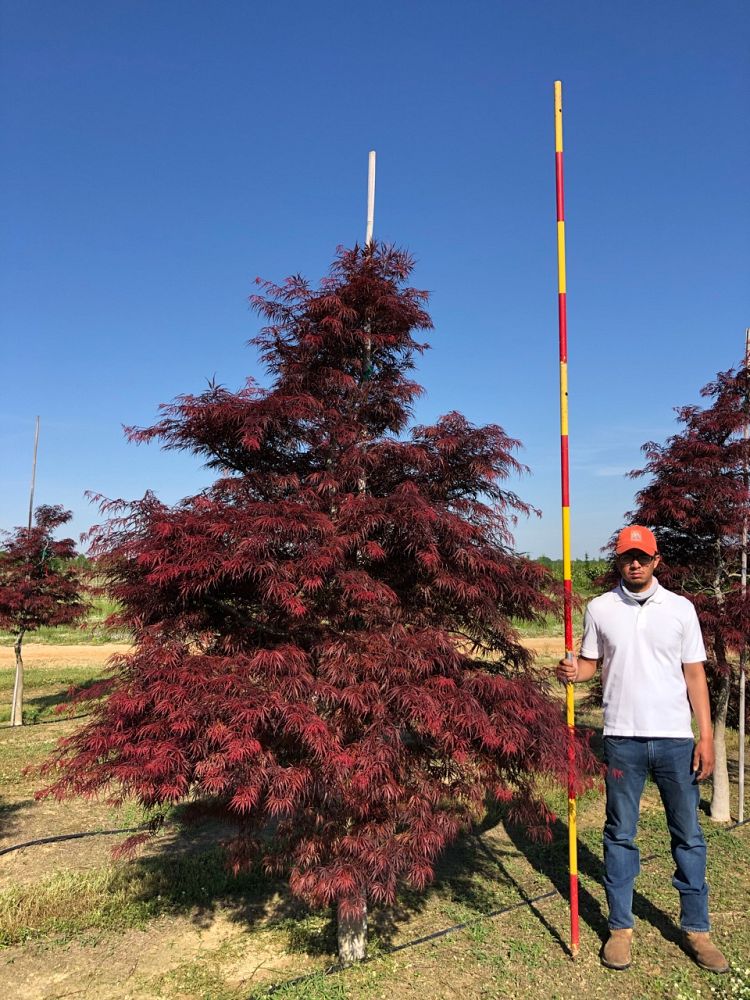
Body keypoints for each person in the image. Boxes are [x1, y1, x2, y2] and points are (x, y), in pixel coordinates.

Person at [556, 525, 729, 974]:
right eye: (627, 556)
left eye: (642, 556)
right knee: (619, 834)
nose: (634, 563)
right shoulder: (600, 608)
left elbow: (695, 676)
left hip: (674, 739)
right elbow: (593, 664)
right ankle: (620, 928)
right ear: (618, 561)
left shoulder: (681, 609)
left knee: (688, 835)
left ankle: (697, 929)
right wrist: (575, 672)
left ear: (656, 560)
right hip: (621, 739)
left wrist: (705, 737)